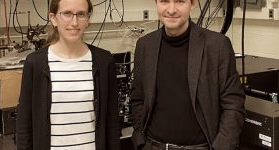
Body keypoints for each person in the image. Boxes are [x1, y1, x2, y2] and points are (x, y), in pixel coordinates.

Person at [130, 0, 246, 150]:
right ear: (156, 3)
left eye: (180, 1)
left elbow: (233, 105)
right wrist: (140, 140)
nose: (171, 10)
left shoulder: (217, 46)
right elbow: (137, 98)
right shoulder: (144, 45)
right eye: (164, 1)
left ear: (192, 4)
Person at [16, 0, 120, 149]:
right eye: (67, 14)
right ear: (53, 18)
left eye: (81, 14)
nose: (74, 22)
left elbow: (112, 123)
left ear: (88, 19)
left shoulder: (104, 61)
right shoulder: (35, 63)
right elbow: (24, 124)